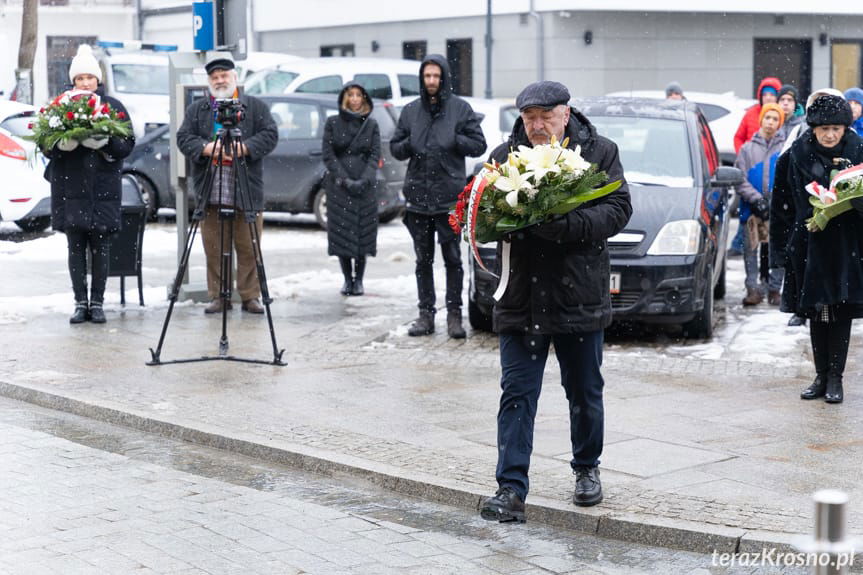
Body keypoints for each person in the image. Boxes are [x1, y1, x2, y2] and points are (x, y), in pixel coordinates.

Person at [479, 81, 631, 522]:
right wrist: (509, 217)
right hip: (521, 297)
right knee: (516, 396)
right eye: (530, 118)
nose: (538, 126)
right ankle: (510, 489)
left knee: (584, 392)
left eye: (546, 117)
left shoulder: (599, 152)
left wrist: (565, 224)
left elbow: (618, 209)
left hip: (576, 294)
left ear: (566, 114)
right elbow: (482, 210)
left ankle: (587, 468)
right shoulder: (503, 158)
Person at [770, 95, 863, 404]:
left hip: (848, 247)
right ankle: (820, 374)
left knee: (840, 313)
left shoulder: (859, 153)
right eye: (823, 128)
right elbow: (780, 208)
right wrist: (779, 254)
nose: (830, 135)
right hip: (808, 246)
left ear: (845, 128)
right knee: (815, 313)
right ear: (812, 128)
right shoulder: (795, 155)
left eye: (836, 128)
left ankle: (836, 377)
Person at [390, 54, 487, 338]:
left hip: (449, 199)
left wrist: (455, 140)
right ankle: (425, 315)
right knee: (423, 261)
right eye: (427, 76)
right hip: (418, 199)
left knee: (453, 259)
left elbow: (478, 144)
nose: (431, 81)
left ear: (444, 77)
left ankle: (454, 316)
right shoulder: (410, 111)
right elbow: (395, 147)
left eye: (436, 76)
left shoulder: (460, 109)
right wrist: (410, 143)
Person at [177, 56, 278, 315]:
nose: (220, 80)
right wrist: (206, 148)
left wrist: (245, 148)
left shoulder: (253, 107)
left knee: (248, 247)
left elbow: (270, 134)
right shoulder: (198, 110)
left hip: (245, 189)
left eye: (224, 75)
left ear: (234, 77)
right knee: (214, 248)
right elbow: (183, 137)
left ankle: (249, 296)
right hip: (210, 190)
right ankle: (218, 296)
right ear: (209, 81)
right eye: (215, 77)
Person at [44, 44, 135, 324]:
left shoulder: (112, 107)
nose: (85, 83)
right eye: (80, 78)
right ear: (73, 81)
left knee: (101, 247)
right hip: (70, 188)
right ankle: (79, 303)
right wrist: (63, 145)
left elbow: (127, 142)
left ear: (98, 80)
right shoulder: (60, 106)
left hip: (103, 188)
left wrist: (107, 143)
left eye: (90, 78)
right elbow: (46, 145)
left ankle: (97, 303)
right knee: (75, 247)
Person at [775, 88, 845, 327]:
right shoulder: (798, 137)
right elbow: (783, 176)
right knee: (807, 282)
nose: (829, 132)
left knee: (838, 301)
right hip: (806, 226)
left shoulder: (852, 143)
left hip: (842, 237)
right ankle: (804, 312)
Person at [321, 82, 381, 296]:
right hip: (339, 187)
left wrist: (364, 178)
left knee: (363, 233)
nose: (355, 99)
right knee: (342, 234)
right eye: (351, 95)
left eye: (359, 95)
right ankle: (347, 279)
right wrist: (344, 179)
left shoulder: (372, 125)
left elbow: (375, 155)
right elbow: (328, 154)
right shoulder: (332, 122)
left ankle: (360, 280)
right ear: (344, 99)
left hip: (365, 187)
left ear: (364, 99)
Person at [734, 103, 786, 306]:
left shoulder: (784, 149)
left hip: (777, 209)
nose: (771, 122)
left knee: (778, 249)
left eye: (775, 119)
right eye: (768, 117)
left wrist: (776, 200)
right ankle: (753, 288)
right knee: (751, 249)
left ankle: (775, 288)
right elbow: (740, 178)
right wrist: (756, 199)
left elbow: (788, 177)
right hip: (751, 209)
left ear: (780, 123)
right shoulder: (747, 149)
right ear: (761, 119)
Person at [734, 76, 782, 154]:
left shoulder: (783, 114)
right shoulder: (750, 114)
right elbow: (738, 138)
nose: (768, 98)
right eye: (764, 94)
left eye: (772, 95)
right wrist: (743, 156)